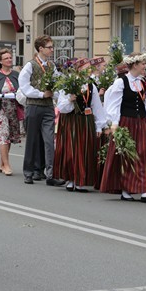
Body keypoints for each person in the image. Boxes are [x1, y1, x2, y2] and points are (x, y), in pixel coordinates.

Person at [100, 52, 146, 202]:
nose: (145, 66)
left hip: (142, 122)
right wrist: (114, 123)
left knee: (144, 153)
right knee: (128, 155)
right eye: (142, 64)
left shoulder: (144, 81)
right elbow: (114, 104)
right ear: (134, 65)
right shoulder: (122, 82)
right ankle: (127, 189)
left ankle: (144, 189)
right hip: (127, 122)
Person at [54, 58, 106, 192]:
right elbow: (61, 106)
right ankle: (71, 178)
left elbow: (96, 106)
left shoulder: (91, 85)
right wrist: (70, 101)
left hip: (85, 120)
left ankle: (81, 180)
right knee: (71, 149)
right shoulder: (67, 83)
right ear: (79, 69)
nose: (89, 70)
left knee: (84, 150)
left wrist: (99, 125)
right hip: (71, 120)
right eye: (86, 67)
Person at [18, 36, 65, 186]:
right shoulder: (30, 65)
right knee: (32, 140)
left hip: (48, 107)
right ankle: (28, 172)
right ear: (41, 49)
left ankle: (50, 174)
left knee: (49, 141)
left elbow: (58, 85)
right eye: (49, 47)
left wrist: (58, 96)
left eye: (52, 47)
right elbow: (24, 86)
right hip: (33, 106)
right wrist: (40, 94)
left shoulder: (52, 66)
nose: (52, 50)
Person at [0, 48, 23, 176]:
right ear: (0, 61)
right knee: (3, 133)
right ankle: (7, 165)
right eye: (6, 58)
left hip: (12, 107)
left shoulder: (16, 75)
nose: (9, 60)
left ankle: (2, 163)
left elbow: (22, 89)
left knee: (10, 135)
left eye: (10, 57)